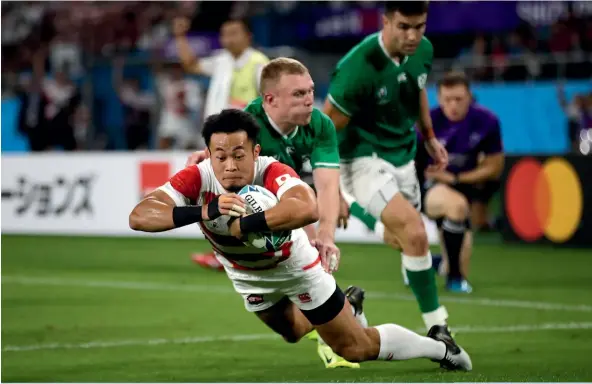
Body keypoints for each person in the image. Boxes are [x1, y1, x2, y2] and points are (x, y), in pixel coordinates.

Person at [129, 109, 472, 372]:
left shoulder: (272, 170)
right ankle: (349, 307)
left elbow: (308, 207)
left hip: (297, 267)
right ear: (208, 153)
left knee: (354, 349)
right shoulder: (198, 178)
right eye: (220, 155)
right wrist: (205, 210)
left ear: (256, 151)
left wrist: (247, 223)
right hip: (246, 275)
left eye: (239, 154)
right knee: (292, 332)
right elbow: (140, 216)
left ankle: (441, 348)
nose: (230, 164)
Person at [183, 58, 356, 368]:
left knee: (314, 251)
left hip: (290, 196)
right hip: (253, 207)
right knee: (291, 330)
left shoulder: (319, 124)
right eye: (300, 93)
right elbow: (221, 161)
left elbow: (326, 187)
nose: (309, 100)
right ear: (271, 99)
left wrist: (327, 234)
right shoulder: (248, 124)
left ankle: (340, 333)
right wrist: (207, 161)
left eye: (311, 92)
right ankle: (340, 314)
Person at [322, 1, 456, 340]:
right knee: (415, 233)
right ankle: (438, 327)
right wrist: (332, 191)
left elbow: (418, 88)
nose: (413, 36)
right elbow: (326, 132)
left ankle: (350, 304)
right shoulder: (358, 67)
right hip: (362, 158)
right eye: (404, 27)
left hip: (403, 156)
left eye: (419, 26)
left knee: (410, 242)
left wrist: (428, 137)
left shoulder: (423, 50)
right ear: (386, 22)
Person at [416, 71, 505, 293]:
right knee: (456, 206)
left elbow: (495, 166)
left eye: (459, 99)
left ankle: (433, 265)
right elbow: (412, 165)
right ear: (439, 98)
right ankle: (454, 280)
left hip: (464, 188)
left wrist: (456, 178)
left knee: (458, 257)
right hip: (429, 190)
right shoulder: (426, 123)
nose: (453, 105)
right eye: (447, 99)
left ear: (469, 97)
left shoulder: (487, 121)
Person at [173, 17, 269, 117]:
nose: (229, 39)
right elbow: (191, 66)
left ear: (248, 36)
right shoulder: (221, 60)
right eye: (225, 35)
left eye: (233, 33)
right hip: (221, 127)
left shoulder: (259, 62)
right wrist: (180, 36)